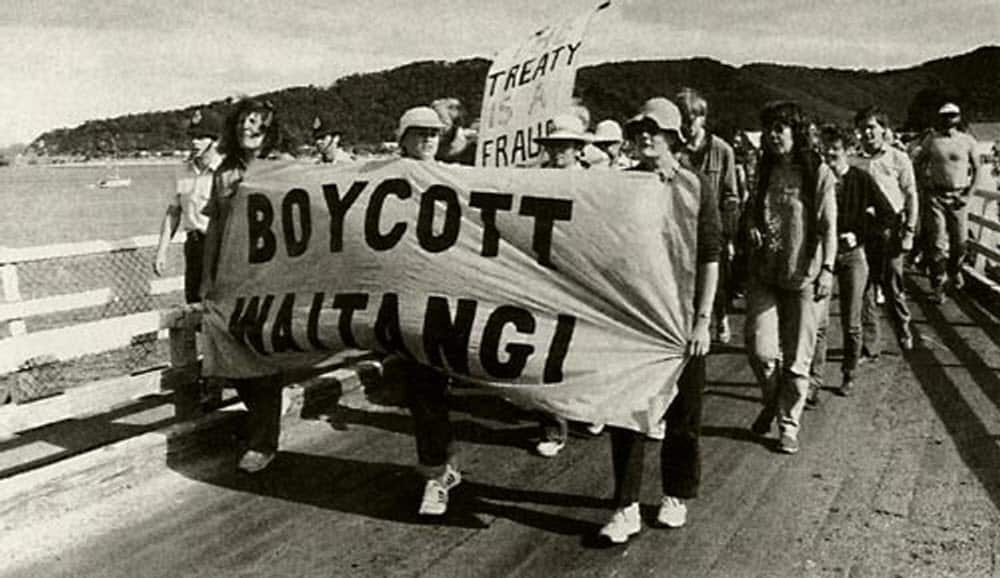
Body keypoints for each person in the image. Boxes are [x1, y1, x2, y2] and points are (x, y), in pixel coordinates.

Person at [598, 97, 720, 544]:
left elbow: (710, 257)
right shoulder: (621, 185)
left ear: (673, 137)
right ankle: (625, 505)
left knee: (684, 413)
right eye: (639, 128)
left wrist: (703, 320)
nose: (645, 135)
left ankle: (676, 493)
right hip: (634, 314)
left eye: (655, 128)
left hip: (681, 313)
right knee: (626, 411)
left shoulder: (695, 187)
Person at [744, 101, 837, 455]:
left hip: (804, 275)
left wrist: (827, 269)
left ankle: (788, 424)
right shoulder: (765, 168)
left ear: (795, 133)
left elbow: (830, 226)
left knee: (798, 358)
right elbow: (755, 210)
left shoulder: (818, 172)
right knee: (759, 349)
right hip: (765, 270)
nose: (772, 136)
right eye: (768, 129)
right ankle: (773, 402)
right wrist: (752, 225)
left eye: (779, 129)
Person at [387, 106, 465, 515]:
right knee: (421, 391)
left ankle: (439, 471)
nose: (428, 139)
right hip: (404, 298)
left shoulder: (456, 179)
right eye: (419, 133)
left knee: (433, 388)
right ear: (404, 138)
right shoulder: (387, 177)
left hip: (445, 300)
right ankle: (440, 469)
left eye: (434, 133)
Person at [200, 98, 283, 474]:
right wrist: (207, 279)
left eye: (257, 124)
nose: (249, 130)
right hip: (234, 277)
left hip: (276, 276)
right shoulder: (224, 173)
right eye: (243, 124)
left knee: (264, 353)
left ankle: (264, 441)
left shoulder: (284, 169)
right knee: (232, 352)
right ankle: (264, 427)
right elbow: (215, 230)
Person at [807, 126, 893, 407]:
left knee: (851, 321)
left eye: (835, 152)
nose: (829, 157)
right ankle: (814, 380)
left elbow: (888, 216)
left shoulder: (861, 179)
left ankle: (849, 373)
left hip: (853, 255)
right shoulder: (817, 180)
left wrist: (860, 232)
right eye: (825, 152)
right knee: (819, 323)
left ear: (847, 152)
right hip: (823, 257)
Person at [529, 113, 591, 456]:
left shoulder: (595, 183)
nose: (557, 153)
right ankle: (552, 429)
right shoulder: (535, 181)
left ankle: (585, 408)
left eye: (564, 146)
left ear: (577, 148)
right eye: (552, 147)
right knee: (544, 354)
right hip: (543, 275)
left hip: (579, 277)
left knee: (579, 350)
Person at [675, 87, 739, 344]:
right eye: (684, 119)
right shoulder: (675, 151)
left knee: (718, 278)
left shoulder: (722, 150)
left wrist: (728, 234)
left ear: (703, 117)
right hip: (681, 228)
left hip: (713, 227)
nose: (689, 125)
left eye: (694, 118)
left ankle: (720, 315)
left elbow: (731, 195)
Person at [853, 106, 919, 353]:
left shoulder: (897, 158)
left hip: (892, 230)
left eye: (871, 127)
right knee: (865, 287)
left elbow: (911, 195)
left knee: (893, 284)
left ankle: (902, 328)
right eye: (862, 128)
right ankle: (871, 344)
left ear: (883, 130)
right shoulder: (854, 161)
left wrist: (910, 232)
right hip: (864, 231)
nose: (867, 133)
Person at [913, 102, 986, 303]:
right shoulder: (932, 139)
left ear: (959, 117)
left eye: (952, 116)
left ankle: (954, 271)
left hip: (959, 197)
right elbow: (918, 163)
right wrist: (924, 184)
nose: (948, 120)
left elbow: (978, 169)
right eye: (945, 116)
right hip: (936, 196)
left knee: (960, 243)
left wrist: (969, 194)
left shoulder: (968, 141)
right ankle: (938, 285)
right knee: (937, 243)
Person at [153, 109, 222, 303]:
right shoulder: (182, 171)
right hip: (194, 246)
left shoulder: (226, 171)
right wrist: (162, 250)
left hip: (221, 247)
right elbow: (173, 213)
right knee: (193, 303)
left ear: (214, 140)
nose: (194, 142)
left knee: (219, 305)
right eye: (192, 136)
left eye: (200, 137)